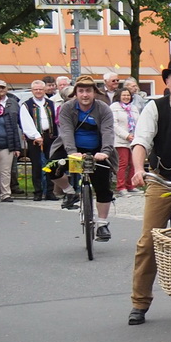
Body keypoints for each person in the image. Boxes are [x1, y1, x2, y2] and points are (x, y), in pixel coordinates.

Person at [126, 57, 171, 326]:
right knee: (149, 240)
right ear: (167, 83)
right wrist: (137, 169)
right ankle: (140, 302)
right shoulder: (154, 108)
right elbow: (141, 140)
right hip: (162, 178)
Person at [57, 76, 117, 240]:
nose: (85, 95)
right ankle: (70, 193)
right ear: (75, 93)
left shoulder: (103, 108)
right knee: (51, 168)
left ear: (94, 93)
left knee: (103, 186)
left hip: (97, 150)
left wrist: (105, 152)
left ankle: (102, 224)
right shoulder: (67, 108)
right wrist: (71, 151)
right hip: (71, 148)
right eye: (81, 91)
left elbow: (108, 131)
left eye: (88, 91)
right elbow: (66, 131)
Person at [19, 78, 60, 199]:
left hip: (50, 136)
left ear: (44, 90)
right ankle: (38, 191)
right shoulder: (26, 105)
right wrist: (36, 136)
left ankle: (49, 191)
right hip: (34, 139)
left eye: (40, 89)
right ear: (32, 90)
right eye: (36, 89)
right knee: (37, 165)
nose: (38, 91)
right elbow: (26, 123)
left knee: (51, 163)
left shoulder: (51, 103)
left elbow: (56, 120)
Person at [112, 83, 139, 191]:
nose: (126, 97)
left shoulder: (134, 108)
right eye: (124, 95)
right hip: (120, 140)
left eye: (128, 95)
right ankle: (121, 187)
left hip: (133, 140)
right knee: (123, 164)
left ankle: (131, 185)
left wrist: (136, 135)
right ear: (119, 96)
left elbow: (139, 122)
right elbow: (114, 124)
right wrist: (126, 135)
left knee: (133, 163)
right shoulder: (114, 107)